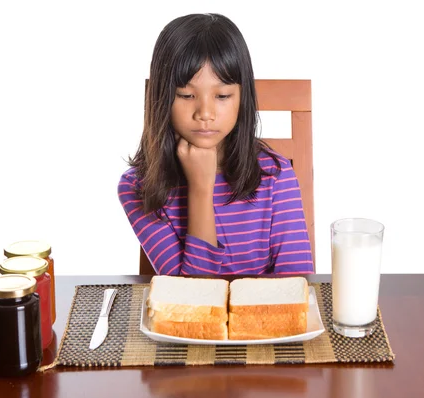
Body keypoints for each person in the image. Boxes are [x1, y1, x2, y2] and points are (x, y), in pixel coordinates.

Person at [118, 13, 314, 275]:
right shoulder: (137, 187)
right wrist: (201, 189)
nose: (205, 113)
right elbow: (192, 297)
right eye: (186, 95)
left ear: (242, 97)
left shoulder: (275, 175)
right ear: (162, 97)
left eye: (222, 95)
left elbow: (295, 286)